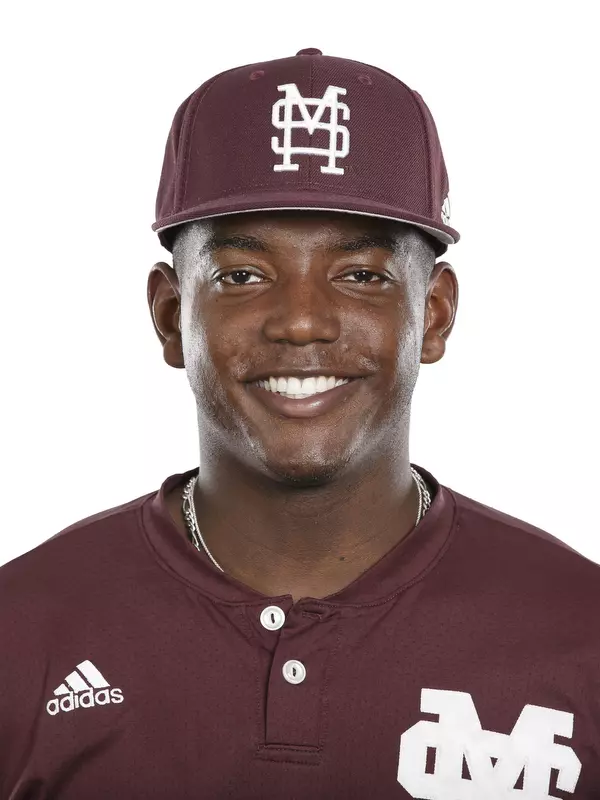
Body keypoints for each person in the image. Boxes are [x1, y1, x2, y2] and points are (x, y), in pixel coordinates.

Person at [1, 48, 598, 800]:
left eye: (362, 275)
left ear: (435, 315)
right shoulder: (22, 632)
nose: (303, 322)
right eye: (242, 276)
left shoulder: (581, 633)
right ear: (169, 316)